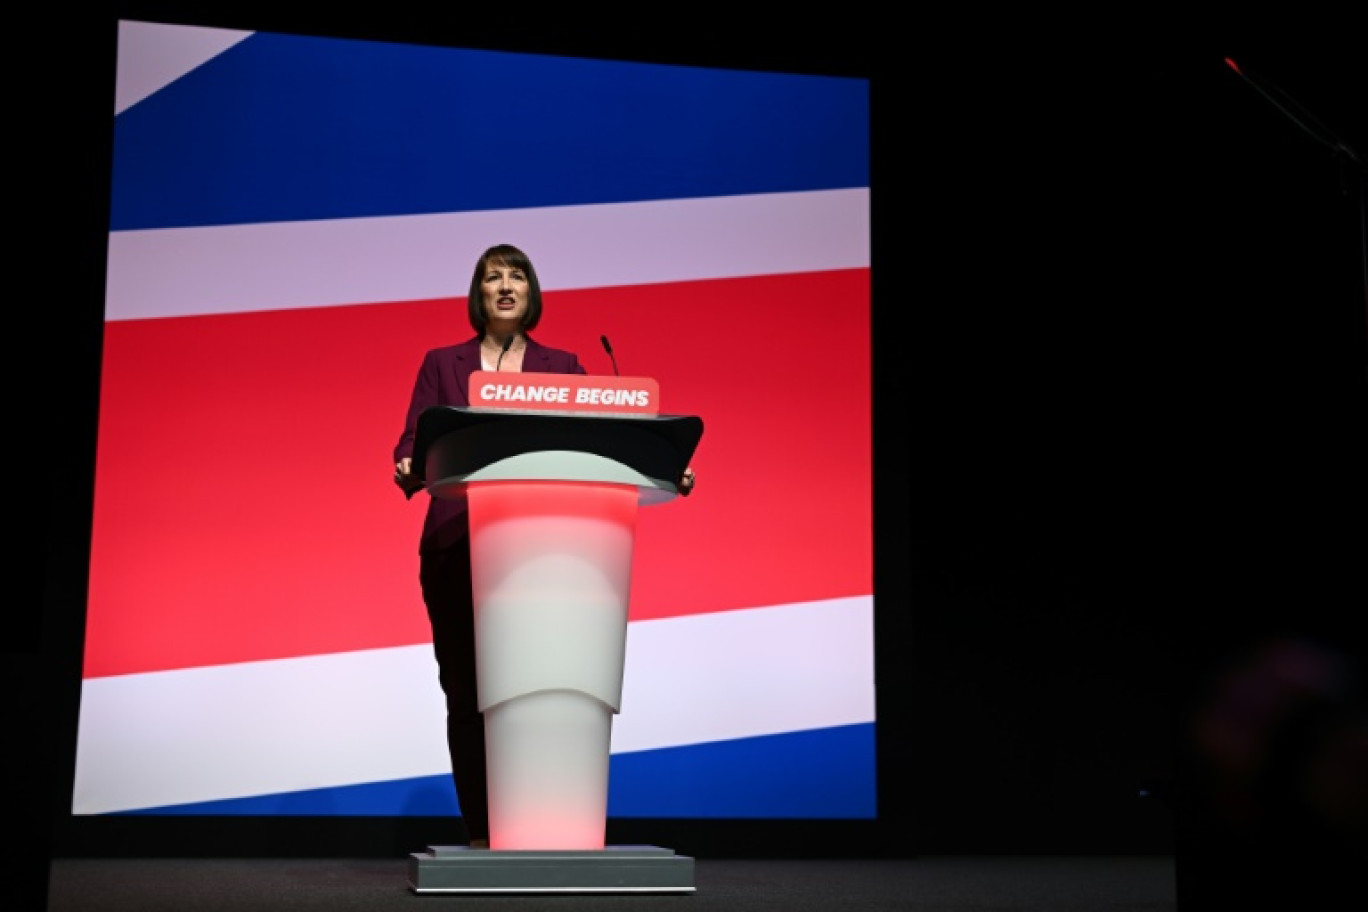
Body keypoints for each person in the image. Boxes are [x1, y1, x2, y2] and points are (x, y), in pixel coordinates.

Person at [391, 243, 694, 847]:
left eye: (517, 277)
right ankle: (484, 832)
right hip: (457, 546)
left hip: (546, 557)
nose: (506, 287)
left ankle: (547, 824)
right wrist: (406, 463)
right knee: (468, 690)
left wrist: (661, 464)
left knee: (540, 682)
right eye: (492, 278)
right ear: (477, 295)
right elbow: (412, 440)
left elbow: (602, 439)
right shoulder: (442, 363)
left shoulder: (564, 366)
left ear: (532, 293)